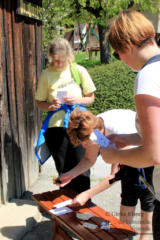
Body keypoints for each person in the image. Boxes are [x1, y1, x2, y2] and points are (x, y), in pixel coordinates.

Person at [98, 11, 160, 240]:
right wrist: (129, 138)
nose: (120, 59)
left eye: (117, 53)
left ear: (128, 47)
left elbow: (153, 154)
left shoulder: (148, 76)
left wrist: (114, 155)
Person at [56, 108, 155, 240]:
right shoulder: (92, 128)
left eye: (85, 143)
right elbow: (89, 159)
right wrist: (70, 174)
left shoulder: (117, 131)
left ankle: (145, 237)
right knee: (128, 195)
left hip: (146, 155)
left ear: (95, 133)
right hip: (128, 151)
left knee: (147, 200)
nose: (84, 146)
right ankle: (124, 235)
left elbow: (115, 175)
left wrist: (87, 194)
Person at [35, 37, 96, 194]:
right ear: (50, 57)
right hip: (55, 129)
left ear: (69, 55)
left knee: (82, 167)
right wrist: (51, 105)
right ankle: (65, 210)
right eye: (56, 60)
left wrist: (76, 99)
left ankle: (83, 205)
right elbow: (39, 103)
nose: (59, 64)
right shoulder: (46, 74)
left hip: (78, 126)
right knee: (62, 168)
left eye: (62, 60)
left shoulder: (79, 70)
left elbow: (91, 97)